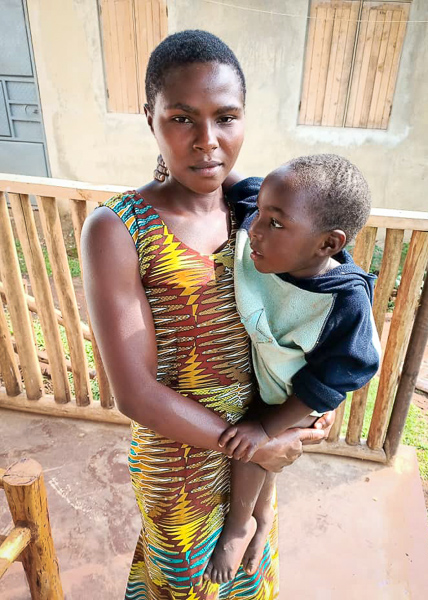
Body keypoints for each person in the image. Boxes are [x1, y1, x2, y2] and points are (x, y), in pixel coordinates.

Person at [81, 30, 333, 600]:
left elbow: (320, 308)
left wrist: (312, 405)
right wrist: (252, 445)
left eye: (226, 117)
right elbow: (135, 392)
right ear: (150, 117)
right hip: (182, 466)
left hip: (256, 454)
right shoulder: (119, 229)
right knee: (188, 587)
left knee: (249, 577)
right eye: (181, 118)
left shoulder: (263, 211)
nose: (207, 141)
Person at [204, 154, 382, 584]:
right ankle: (262, 519)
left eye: (276, 223)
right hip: (272, 373)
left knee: (253, 449)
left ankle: (239, 525)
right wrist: (189, 158)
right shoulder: (260, 224)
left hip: (303, 391)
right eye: (261, 213)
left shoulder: (343, 301)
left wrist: (268, 429)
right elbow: (236, 181)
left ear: (327, 245)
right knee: (263, 460)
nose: (256, 230)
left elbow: (346, 370)